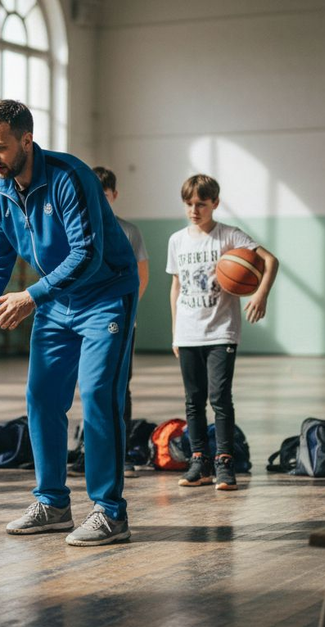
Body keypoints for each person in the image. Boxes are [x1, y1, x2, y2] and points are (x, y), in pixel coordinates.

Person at [0, 100, 139, 547]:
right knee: (42, 398)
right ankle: (53, 504)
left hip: (105, 296)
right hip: (55, 302)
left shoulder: (70, 177)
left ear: (26, 140)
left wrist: (31, 296)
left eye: (0, 147)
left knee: (98, 397)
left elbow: (87, 254)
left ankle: (110, 512)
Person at [168, 174, 278, 491]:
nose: (194, 210)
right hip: (187, 331)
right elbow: (176, 286)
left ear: (215, 203)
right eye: (189, 204)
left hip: (221, 331)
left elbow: (270, 260)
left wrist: (261, 294)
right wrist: (175, 331)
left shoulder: (229, 235)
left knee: (219, 398)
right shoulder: (177, 240)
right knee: (193, 401)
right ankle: (199, 462)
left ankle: (225, 462)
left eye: (201, 204)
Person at [92, 166, 149, 479]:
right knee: (91, 387)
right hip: (86, 323)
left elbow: (141, 277)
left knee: (119, 387)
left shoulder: (129, 232)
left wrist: (124, 311)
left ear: (113, 195)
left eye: (104, 194)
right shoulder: (78, 226)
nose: (99, 199)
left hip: (120, 321)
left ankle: (122, 454)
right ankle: (90, 450)